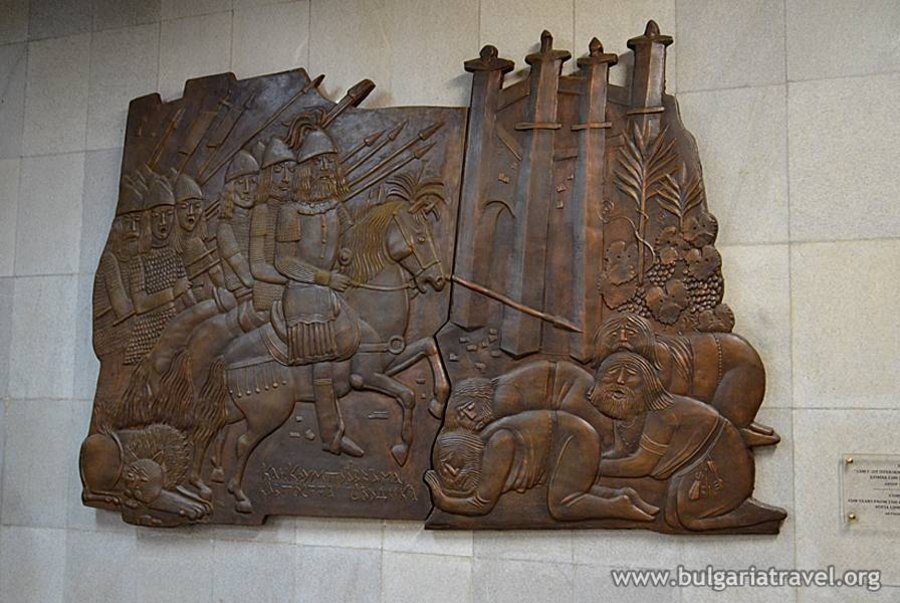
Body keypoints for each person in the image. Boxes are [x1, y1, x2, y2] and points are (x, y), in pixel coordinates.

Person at [591, 351, 786, 531]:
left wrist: (588, 468)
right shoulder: (624, 410)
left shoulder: (661, 413)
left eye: (631, 375)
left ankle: (756, 516)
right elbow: (620, 453)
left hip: (718, 468)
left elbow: (641, 465)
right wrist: (589, 464)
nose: (620, 380)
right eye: (611, 374)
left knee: (686, 519)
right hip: (679, 470)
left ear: (648, 383)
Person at [271, 126, 361, 456]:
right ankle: (331, 436)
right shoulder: (290, 212)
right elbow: (283, 261)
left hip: (331, 289)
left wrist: (346, 254)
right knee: (322, 361)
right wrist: (322, 277)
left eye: (329, 163)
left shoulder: (337, 208)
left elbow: (348, 239)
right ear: (306, 169)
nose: (325, 170)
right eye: (318, 163)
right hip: (303, 293)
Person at [594, 313, 779, 447]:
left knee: (731, 425)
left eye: (630, 335)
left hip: (736, 364)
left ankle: (742, 432)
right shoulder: (623, 364)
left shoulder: (661, 356)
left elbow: (670, 396)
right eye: (615, 336)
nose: (623, 340)